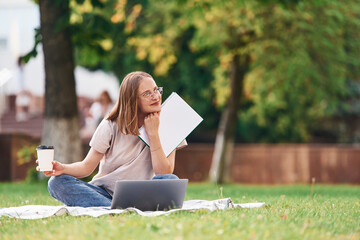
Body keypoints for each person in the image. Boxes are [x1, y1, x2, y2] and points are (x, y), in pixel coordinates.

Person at [37, 71, 187, 207]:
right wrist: (62, 168)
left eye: (156, 90)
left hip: (143, 194)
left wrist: (153, 134)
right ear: (132, 100)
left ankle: (107, 209)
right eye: (147, 94)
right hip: (105, 193)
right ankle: (112, 208)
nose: (156, 96)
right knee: (56, 183)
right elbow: (86, 167)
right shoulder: (111, 124)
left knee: (170, 179)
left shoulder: (170, 124)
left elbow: (163, 172)